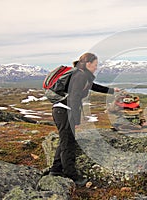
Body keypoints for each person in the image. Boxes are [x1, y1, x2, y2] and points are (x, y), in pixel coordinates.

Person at [49, 52, 120, 186]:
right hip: (64, 111)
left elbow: (93, 86)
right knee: (68, 143)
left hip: (62, 110)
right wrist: (75, 120)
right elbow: (74, 98)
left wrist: (111, 90)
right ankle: (71, 175)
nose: (96, 67)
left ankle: (56, 169)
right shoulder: (80, 75)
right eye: (95, 65)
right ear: (88, 64)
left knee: (65, 140)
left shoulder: (82, 74)